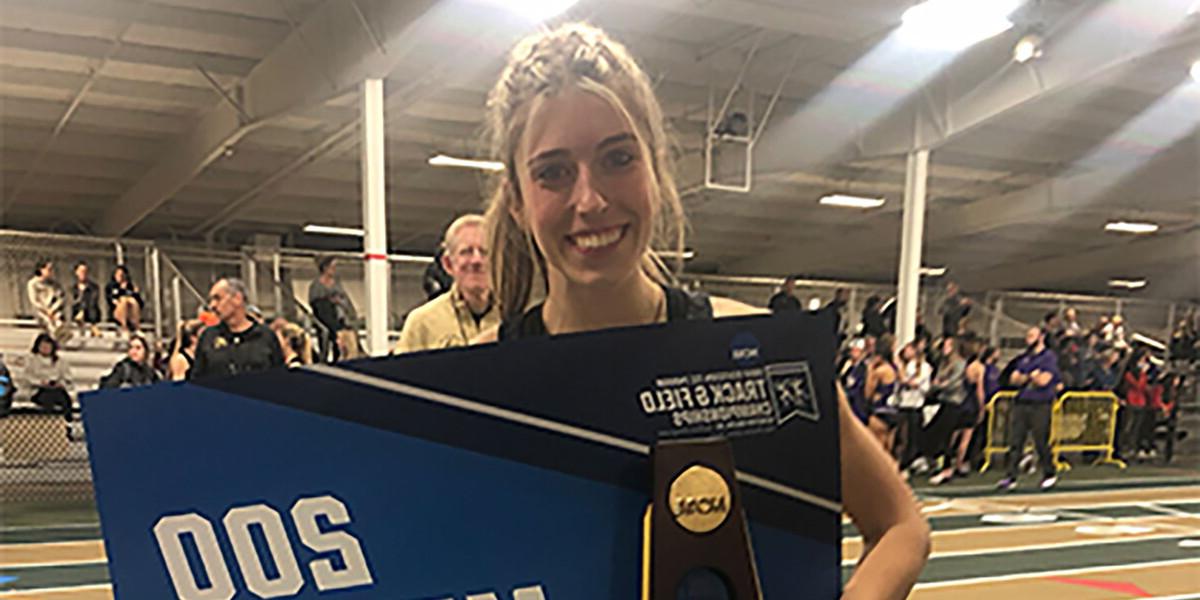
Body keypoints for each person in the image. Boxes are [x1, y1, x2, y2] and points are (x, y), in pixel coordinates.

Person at [473, 23, 928, 596]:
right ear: (516, 199)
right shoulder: (479, 383)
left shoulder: (758, 353)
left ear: (656, 170)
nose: (589, 200)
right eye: (553, 173)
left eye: (618, 158)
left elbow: (901, 525)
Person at [395, 215, 500, 353]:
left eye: (484, 252)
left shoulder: (515, 317)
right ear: (448, 264)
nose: (476, 260)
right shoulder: (421, 323)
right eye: (466, 252)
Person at [997, 327, 1062, 491]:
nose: (1028, 339)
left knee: (1041, 440)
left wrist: (1030, 378)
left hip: (1040, 404)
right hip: (1022, 402)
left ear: (1041, 337)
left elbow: (1044, 381)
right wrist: (1029, 377)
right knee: (1016, 440)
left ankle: (1049, 472)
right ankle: (1010, 476)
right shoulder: (1024, 358)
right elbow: (1014, 379)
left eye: (1032, 335)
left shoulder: (1048, 357)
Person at [190, 278, 284, 380]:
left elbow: (279, 379)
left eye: (217, 298)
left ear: (237, 298)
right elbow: (197, 381)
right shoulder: (208, 337)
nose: (212, 305)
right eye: (211, 300)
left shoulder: (266, 336)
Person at [929, 337, 979, 485]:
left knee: (949, 436)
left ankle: (947, 468)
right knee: (941, 435)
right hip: (944, 400)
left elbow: (954, 383)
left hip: (955, 402)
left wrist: (939, 385)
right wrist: (937, 385)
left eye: (948, 345)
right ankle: (943, 466)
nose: (945, 347)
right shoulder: (944, 363)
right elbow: (937, 380)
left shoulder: (959, 364)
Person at [309, 256, 358, 363]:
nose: (334, 269)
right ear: (325, 268)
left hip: (338, 317)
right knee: (327, 336)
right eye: (332, 267)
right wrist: (329, 300)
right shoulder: (316, 285)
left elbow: (344, 300)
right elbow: (315, 304)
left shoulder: (337, 284)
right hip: (324, 317)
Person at [16, 332, 73, 417]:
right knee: (48, 397)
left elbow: (67, 378)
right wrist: (41, 382)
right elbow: (27, 377)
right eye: (43, 346)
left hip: (57, 389)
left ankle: (68, 422)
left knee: (63, 398)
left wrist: (60, 383)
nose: (45, 348)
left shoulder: (61, 361)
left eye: (48, 346)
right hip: (38, 390)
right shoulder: (30, 360)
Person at [895, 341, 932, 471]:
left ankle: (909, 461)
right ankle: (901, 460)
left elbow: (919, 384)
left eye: (909, 349)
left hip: (915, 405)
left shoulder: (924, 366)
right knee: (901, 435)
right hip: (902, 404)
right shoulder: (903, 366)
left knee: (912, 436)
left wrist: (907, 381)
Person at [864, 334, 900, 458]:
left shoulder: (880, 371)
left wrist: (870, 371)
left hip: (880, 411)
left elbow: (867, 393)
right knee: (888, 451)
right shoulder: (895, 367)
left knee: (875, 452)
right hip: (894, 410)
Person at [27, 259, 69, 342]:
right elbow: (34, 301)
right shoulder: (33, 284)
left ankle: (61, 334)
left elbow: (61, 298)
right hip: (41, 311)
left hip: (53, 311)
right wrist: (46, 310)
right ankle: (56, 336)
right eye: (48, 269)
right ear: (41, 270)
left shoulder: (54, 284)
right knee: (47, 321)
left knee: (59, 318)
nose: (51, 272)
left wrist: (53, 309)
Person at [840, 338, 871, 425]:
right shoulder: (848, 367)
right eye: (852, 351)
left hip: (857, 405)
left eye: (856, 351)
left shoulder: (863, 368)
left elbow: (858, 386)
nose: (853, 353)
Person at [105, 265, 143, 334]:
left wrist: (136, 294)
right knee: (123, 300)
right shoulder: (111, 286)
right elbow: (111, 300)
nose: (120, 276)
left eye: (122, 274)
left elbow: (140, 303)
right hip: (117, 312)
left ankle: (136, 326)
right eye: (118, 274)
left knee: (132, 301)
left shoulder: (131, 286)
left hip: (131, 312)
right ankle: (124, 326)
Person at [70, 261, 102, 336]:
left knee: (91, 307)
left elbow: (92, 301)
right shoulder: (73, 288)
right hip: (76, 314)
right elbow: (72, 302)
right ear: (76, 272)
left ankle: (93, 327)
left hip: (90, 314)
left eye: (85, 271)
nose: (83, 273)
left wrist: (83, 310)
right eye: (81, 271)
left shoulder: (94, 287)